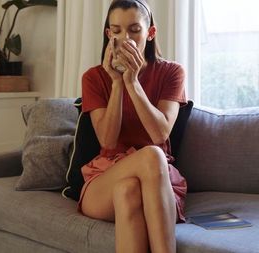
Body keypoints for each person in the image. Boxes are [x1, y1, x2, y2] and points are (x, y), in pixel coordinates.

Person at [78, 0, 187, 252]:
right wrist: (117, 83)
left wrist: (133, 82)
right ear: (109, 35)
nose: (125, 38)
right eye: (116, 30)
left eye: (134, 30)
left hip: (157, 178)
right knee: (150, 156)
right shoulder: (94, 77)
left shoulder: (172, 72)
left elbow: (160, 133)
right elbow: (107, 141)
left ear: (150, 33)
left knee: (130, 188)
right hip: (105, 176)